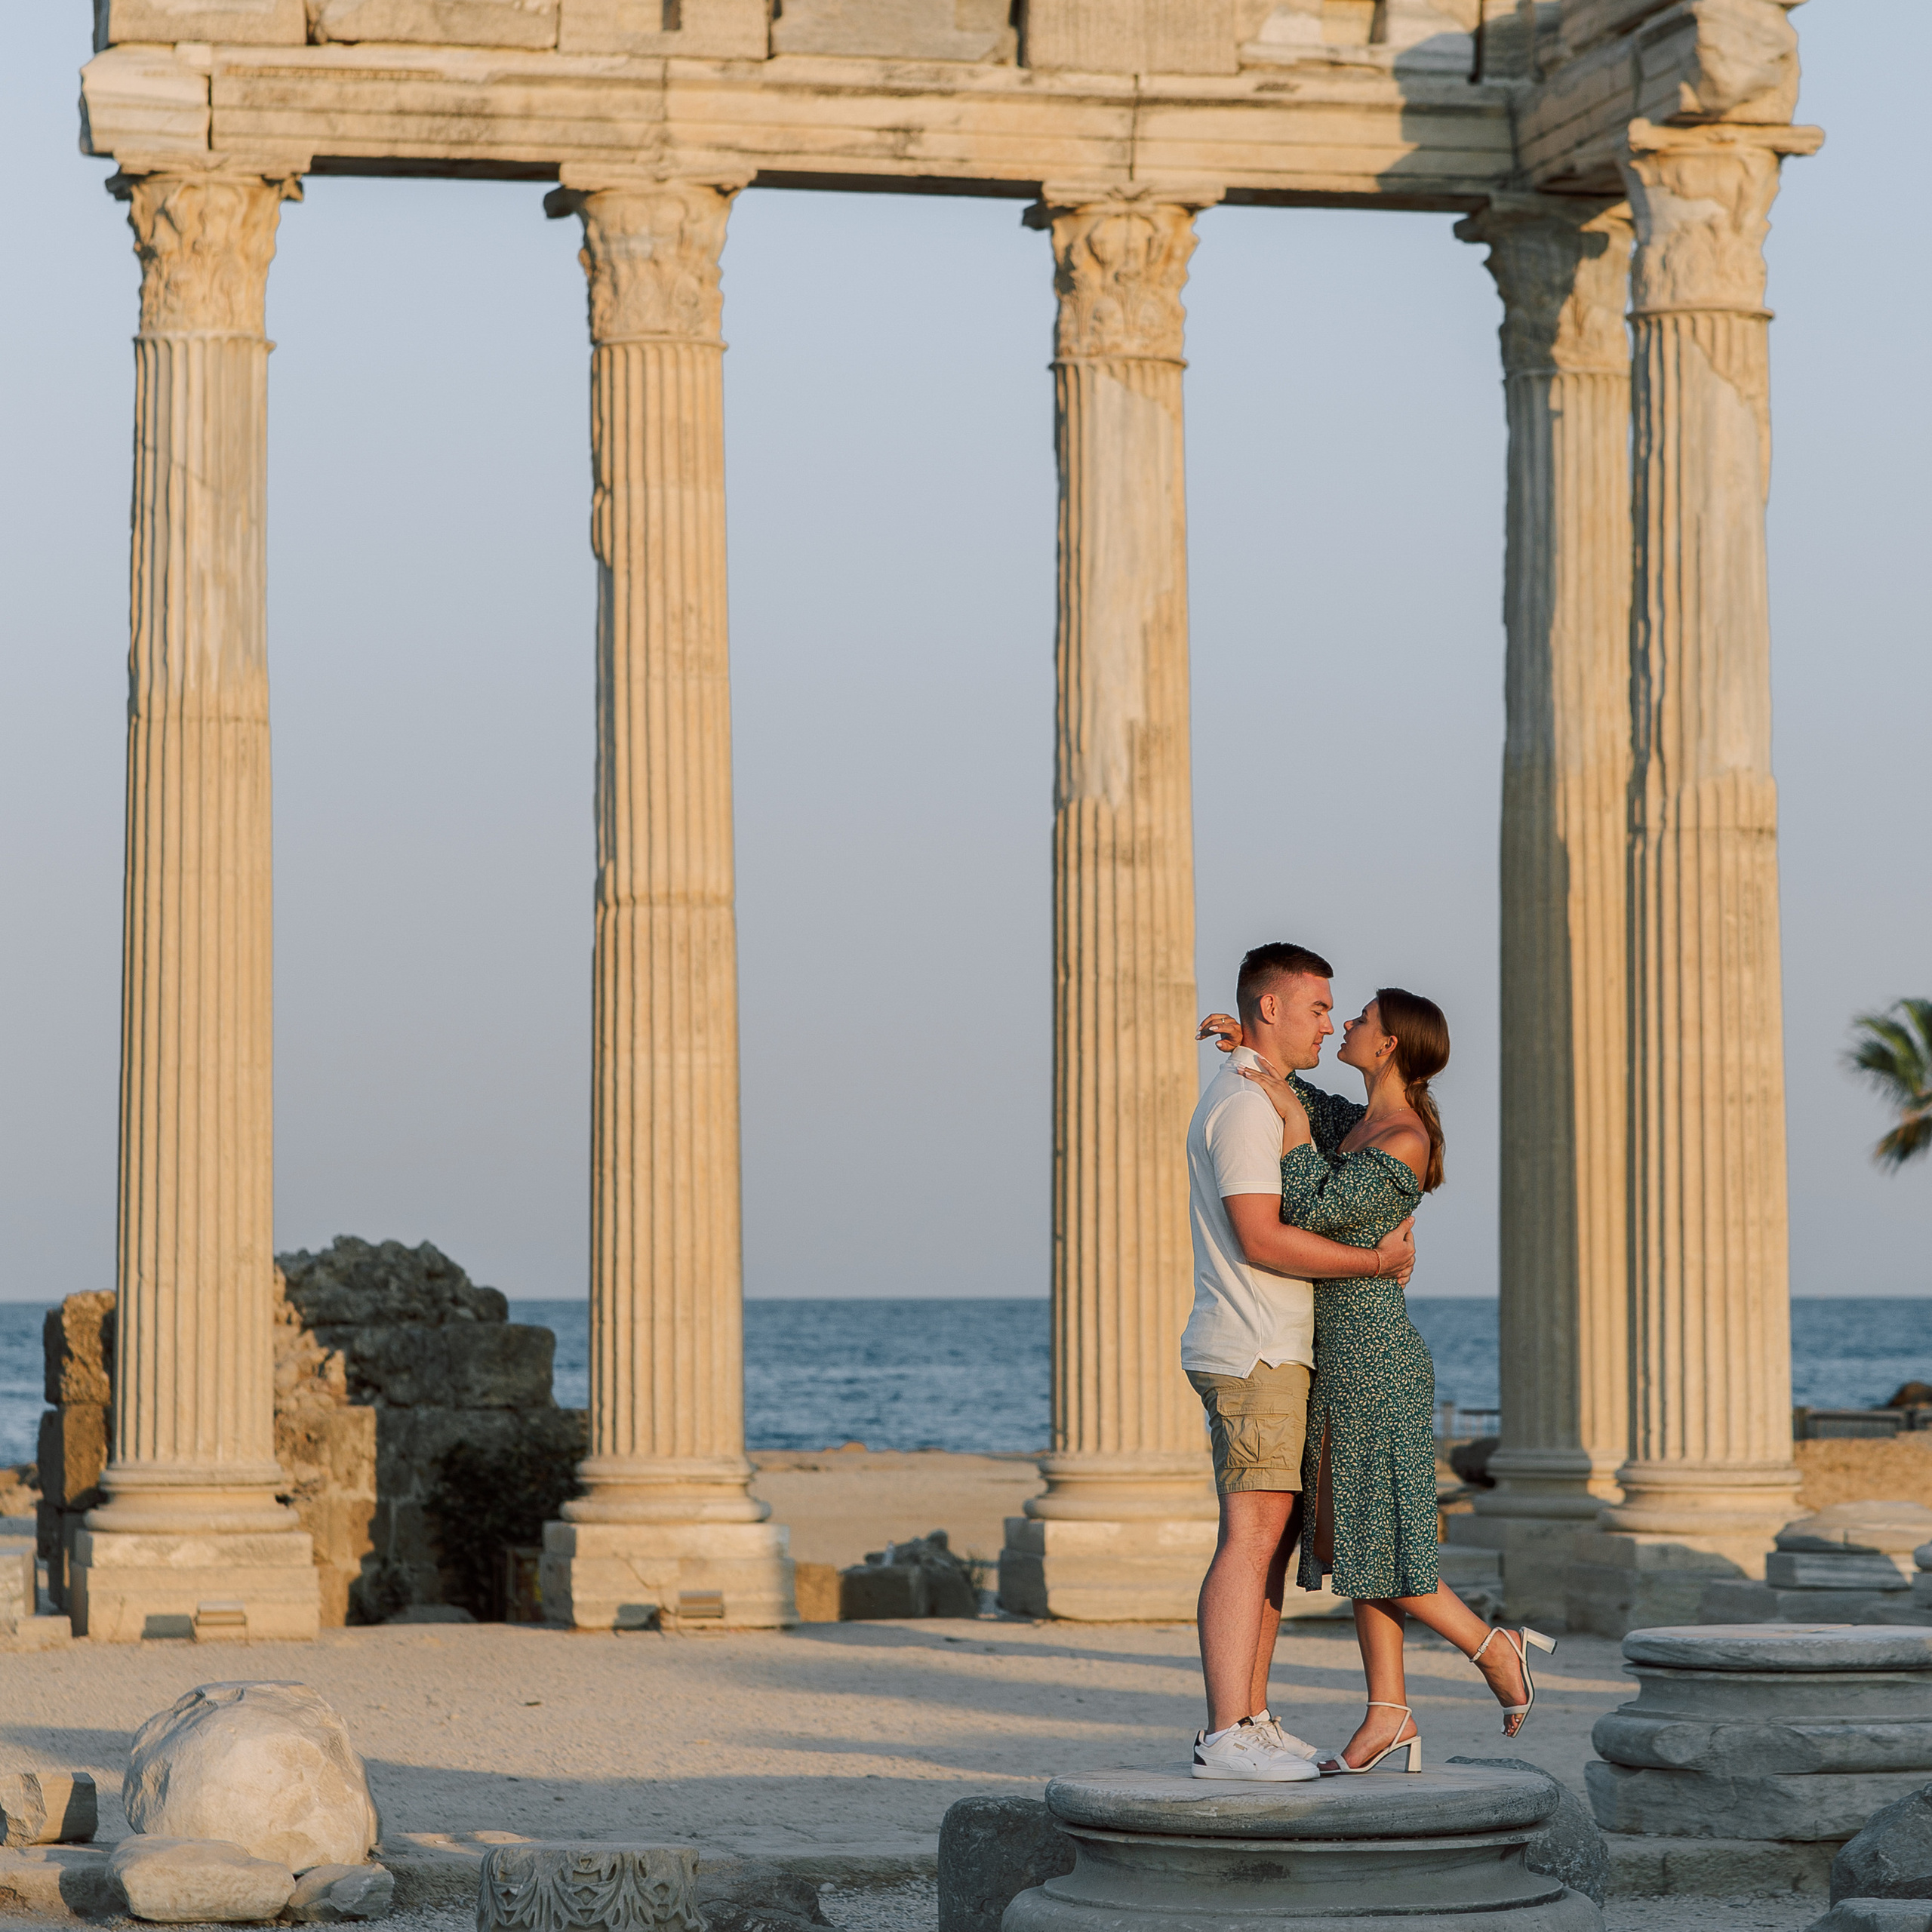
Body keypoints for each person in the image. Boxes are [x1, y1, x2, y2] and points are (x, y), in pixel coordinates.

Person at [1201, 986, 1555, 1777]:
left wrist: (1292, 1129)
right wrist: (1248, 1047)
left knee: (1356, 1535)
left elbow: (1305, 1205)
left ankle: (1490, 1644)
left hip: (1371, 1356)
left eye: (1358, 1019)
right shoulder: (1352, 1119)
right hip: (1338, 1351)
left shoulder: (1401, 1137)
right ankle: (1388, 1711)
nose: (1344, 1026)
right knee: (1362, 1530)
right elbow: (1294, 1089)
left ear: (1388, 1044)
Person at [1181, 943, 1420, 1780]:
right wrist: (1374, 1264)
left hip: (1274, 1348)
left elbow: (1312, 1122)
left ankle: (1250, 1716)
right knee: (1250, 1539)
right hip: (1253, 1348)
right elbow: (1260, 1235)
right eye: (1319, 1007)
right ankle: (1224, 1734)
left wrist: (1244, 1050)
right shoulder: (1247, 1108)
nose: (1331, 1019)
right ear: (1271, 1008)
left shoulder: (1266, 1094)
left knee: (1269, 1542)